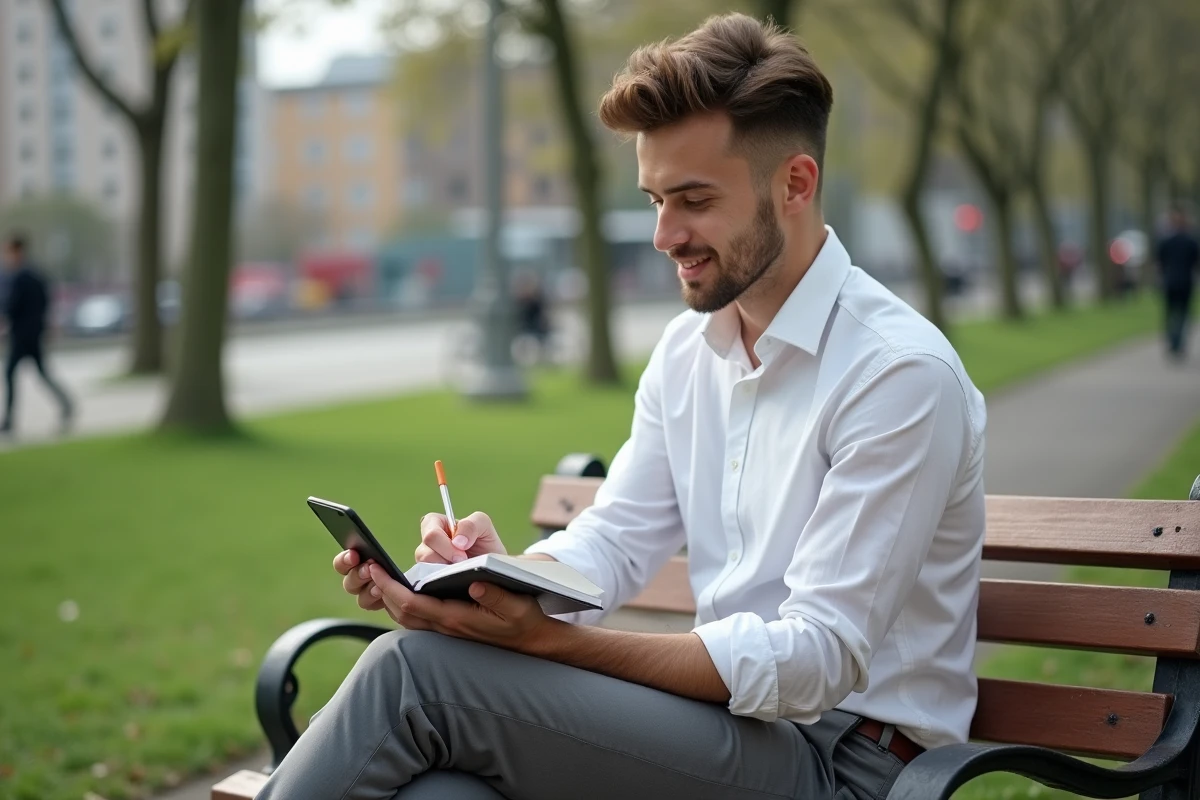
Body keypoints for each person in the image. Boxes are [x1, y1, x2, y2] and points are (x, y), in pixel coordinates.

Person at [258, 14, 987, 800]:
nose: (664, 234)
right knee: (441, 795)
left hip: (847, 765)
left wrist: (551, 645)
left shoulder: (897, 375)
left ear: (796, 184)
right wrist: (501, 578)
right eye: (654, 199)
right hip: (733, 734)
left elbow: (813, 660)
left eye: (694, 200)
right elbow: (613, 539)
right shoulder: (688, 352)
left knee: (415, 679)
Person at [2, 233, 73, 435]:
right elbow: (45, 301)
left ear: (17, 251)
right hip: (33, 333)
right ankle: (66, 404)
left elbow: (12, 305)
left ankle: (9, 420)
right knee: (41, 373)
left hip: (23, 335)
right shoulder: (35, 274)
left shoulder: (21, 277)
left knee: (10, 374)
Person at [1156, 208, 1200, 361]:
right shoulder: (1191, 241)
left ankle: (1173, 341)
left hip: (1169, 282)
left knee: (1170, 313)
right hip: (1186, 282)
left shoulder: (1166, 241)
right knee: (1183, 313)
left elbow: (1159, 262)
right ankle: (1178, 342)